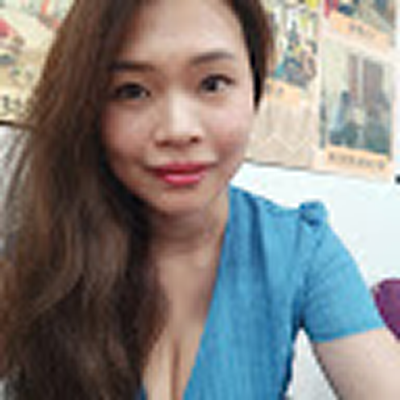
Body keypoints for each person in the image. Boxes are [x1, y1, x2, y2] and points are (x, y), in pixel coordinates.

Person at [0, 0, 400, 399]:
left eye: (212, 84)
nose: (178, 129)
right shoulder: (39, 254)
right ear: (86, 108)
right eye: (132, 91)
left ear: (254, 89)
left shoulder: (301, 249)